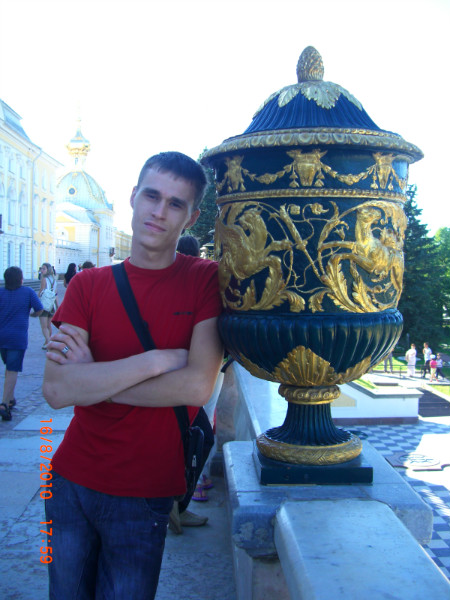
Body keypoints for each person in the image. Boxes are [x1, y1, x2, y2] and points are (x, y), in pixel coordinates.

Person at [42, 151, 223, 600]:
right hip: (68, 483)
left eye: (175, 204)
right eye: (151, 196)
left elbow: (197, 387)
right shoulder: (88, 285)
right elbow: (57, 389)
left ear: (191, 217)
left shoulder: (205, 281)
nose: (159, 212)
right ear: (133, 197)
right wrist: (155, 361)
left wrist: (93, 380)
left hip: (145, 493)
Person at [0, 267, 43, 421]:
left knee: (9, 367)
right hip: (17, 338)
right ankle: (4, 404)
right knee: (13, 369)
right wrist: (32, 314)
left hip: (2, 337)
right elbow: (39, 309)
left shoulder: (1, 292)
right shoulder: (28, 292)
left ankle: (10, 398)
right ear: (20, 279)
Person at [38, 262, 58, 350]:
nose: (42, 270)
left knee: (44, 326)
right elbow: (56, 294)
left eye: (44, 269)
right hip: (52, 305)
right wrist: (57, 306)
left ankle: (48, 342)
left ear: (48, 270)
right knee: (49, 325)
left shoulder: (44, 279)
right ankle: (46, 342)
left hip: (44, 305)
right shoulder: (54, 280)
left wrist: (36, 300)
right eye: (41, 268)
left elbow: (41, 291)